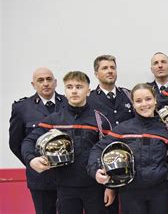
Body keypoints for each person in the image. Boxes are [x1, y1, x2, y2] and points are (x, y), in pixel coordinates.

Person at [21, 71, 115, 214]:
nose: (74, 91)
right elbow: (29, 140)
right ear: (64, 91)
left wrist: (110, 187)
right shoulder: (54, 120)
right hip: (65, 189)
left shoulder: (100, 120)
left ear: (88, 91)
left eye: (79, 86)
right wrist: (31, 159)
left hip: (95, 187)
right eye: (69, 87)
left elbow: (111, 152)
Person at [88, 83, 168, 214]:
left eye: (148, 99)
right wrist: (95, 170)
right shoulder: (123, 129)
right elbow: (98, 149)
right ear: (133, 104)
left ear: (155, 100)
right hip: (130, 193)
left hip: (160, 193)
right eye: (138, 101)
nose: (144, 104)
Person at [9, 67, 67, 214]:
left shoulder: (68, 104)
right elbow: (16, 143)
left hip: (68, 176)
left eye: (49, 79)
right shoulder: (22, 108)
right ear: (33, 85)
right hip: (40, 179)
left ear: (55, 82)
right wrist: (32, 162)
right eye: (40, 80)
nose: (45, 83)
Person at [88, 55, 134, 127]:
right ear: (96, 74)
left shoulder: (129, 95)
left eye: (113, 68)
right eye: (105, 68)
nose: (110, 71)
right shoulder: (90, 99)